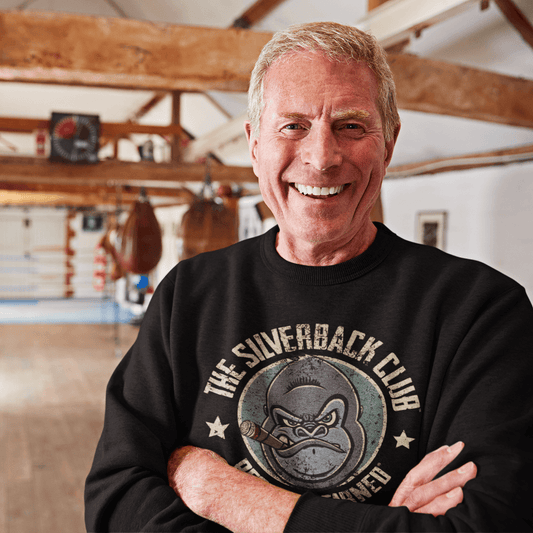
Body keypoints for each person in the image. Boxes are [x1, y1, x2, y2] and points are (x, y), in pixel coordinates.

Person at [85, 22, 533, 532]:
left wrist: (224, 494)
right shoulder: (189, 296)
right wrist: (378, 523)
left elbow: (487, 524)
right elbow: (114, 497)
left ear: (388, 144)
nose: (321, 157)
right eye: (293, 125)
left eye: (351, 125)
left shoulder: (481, 311)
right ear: (254, 145)